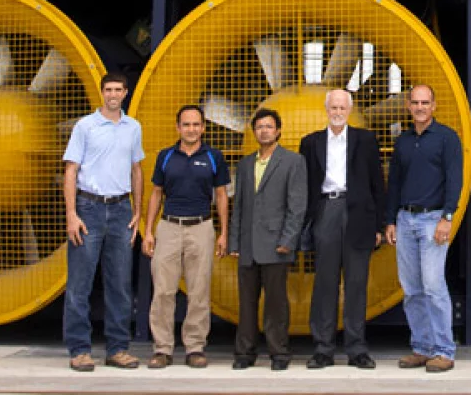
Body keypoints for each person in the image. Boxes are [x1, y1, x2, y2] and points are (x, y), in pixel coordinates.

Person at [62, 71, 145, 372]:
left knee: (120, 283)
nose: (112, 94)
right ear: (102, 93)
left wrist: (138, 211)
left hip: (121, 208)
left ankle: (118, 348)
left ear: (125, 93)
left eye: (118, 89)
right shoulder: (85, 126)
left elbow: (136, 169)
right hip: (89, 208)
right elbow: (71, 170)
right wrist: (72, 214)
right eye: (108, 89)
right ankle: (80, 349)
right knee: (80, 283)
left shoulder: (133, 127)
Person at [299, 89, 385, 370]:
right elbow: (305, 188)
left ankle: (357, 349)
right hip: (327, 209)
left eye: (342, 108)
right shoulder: (310, 143)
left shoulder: (366, 140)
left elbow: (377, 184)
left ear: (349, 110)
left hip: (358, 213)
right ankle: (323, 349)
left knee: (356, 283)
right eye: (333, 107)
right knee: (324, 283)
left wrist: (379, 225)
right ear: (326, 109)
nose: (337, 112)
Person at [142, 105, 230, 370]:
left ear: (203, 127)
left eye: (196, 125)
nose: (191, 129)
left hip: (201, 227)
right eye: (186, 124)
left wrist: (223, 232)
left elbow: (222, 195)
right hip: (169, 227)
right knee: (163, 290)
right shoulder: (165, 156)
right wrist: (148, 231)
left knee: (199, 290)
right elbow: (156, 193)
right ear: (178, 127)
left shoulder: (214, 156)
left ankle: (194, 347)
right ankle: (162, 348)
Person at [385, 84, 463, 373]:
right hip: (405, 219)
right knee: (412, 289)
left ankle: (444, 350)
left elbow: (455, 180)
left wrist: (447, 218)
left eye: (425, 102)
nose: (420, 107)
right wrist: (390, 220)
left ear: (434, 105)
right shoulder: (403, 141)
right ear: (408, 105)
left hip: (433, 220)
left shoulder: (447, 138)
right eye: (415, 102)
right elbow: (394, 183)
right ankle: (422, 348)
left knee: (433, 286)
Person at [228, 108, 307, 371]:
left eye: (269, 126)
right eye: (260, 127)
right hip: (249, 244)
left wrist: (288, 240)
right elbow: (238, 206)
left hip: (276, 244)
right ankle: (244, 353)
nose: (264, 131)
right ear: (254, 132)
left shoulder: (293, 162)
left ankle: (279, 353)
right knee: (246, 303)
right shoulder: (245, 163)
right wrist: (235, 243)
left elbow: (297, 206)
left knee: (276, 303)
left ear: (278, 131)